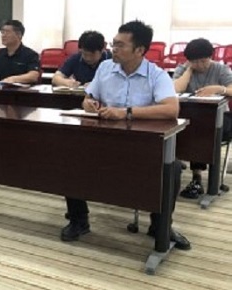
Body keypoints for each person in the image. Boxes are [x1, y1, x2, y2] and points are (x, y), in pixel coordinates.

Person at [61, 20, 191, 250]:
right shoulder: (105, 68)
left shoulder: (157, 75)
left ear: (139, 50)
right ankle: (79, 220)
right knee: (70, 156)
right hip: (105, 140)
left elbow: (172, 109)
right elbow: (88, 97)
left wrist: (126, 113)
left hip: (143, 144)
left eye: (120, 45)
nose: (114, 49)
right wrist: (88, 103)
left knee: (173, 169)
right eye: (114, 43)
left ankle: (160, 226)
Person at [173, 38, 232, 199]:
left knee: (202, 131)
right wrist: (188, 71)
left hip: (221, 118)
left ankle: (198, 178)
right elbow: (175, 90)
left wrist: (219, 89)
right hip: (193, 118)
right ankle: (194, 176)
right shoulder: (183, 69)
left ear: (210, 57)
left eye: (203, 61)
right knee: (190, 129)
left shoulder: (220, 69)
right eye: (195, 61)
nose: (199, 65)